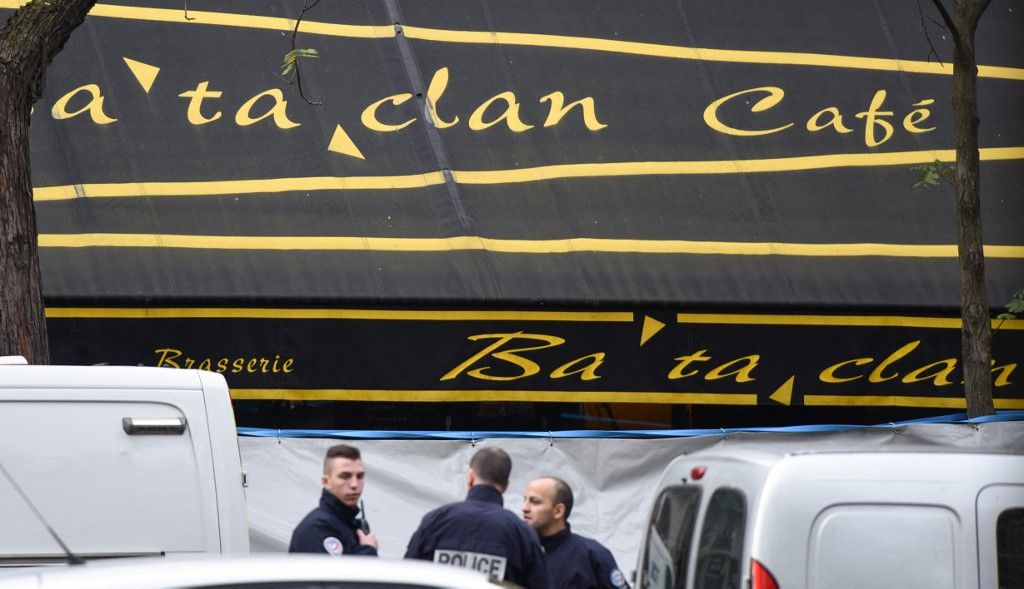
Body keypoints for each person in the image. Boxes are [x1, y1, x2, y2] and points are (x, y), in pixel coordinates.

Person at [405, 447, 549, 588]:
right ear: (506, 486)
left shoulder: (435, 521)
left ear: (471, 477)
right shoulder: (522, 533)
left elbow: (406, 577)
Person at [522, 477, 630, 589]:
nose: (524, 508)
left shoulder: (592, 554)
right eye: (524, 500)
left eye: (535, 502)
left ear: (558, 511)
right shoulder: (520, 553)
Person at [289, 444, 379, 556]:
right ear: (326, 482)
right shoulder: (316, 529)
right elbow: (335, 574)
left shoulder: (350, 524)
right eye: (345, 476)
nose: (355, 484)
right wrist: (368, 550)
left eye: (360, 476)